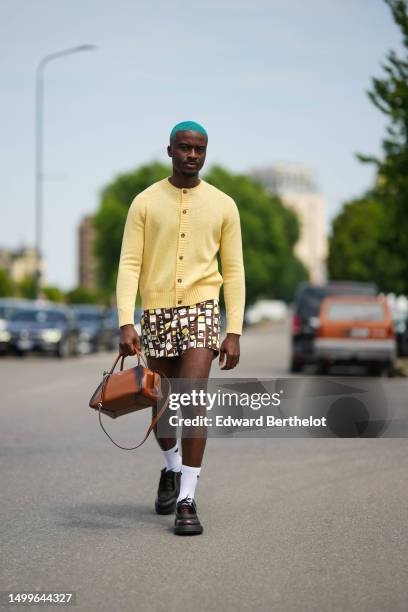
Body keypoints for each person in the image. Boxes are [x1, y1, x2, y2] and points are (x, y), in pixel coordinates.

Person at [116, 120, 245, 535]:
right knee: (162, 402)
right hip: (155, 315)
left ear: (206, 153)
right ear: (169, 150)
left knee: (192, 397)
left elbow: (235, 270)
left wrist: (234, 329)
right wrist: (125, 319)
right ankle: (171, 466)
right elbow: (129, 264)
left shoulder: (224, 205)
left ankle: (187, 498)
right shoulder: (145, 202)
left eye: (200, 149)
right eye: (185, 147)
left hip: (202, 310)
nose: (192, 155)